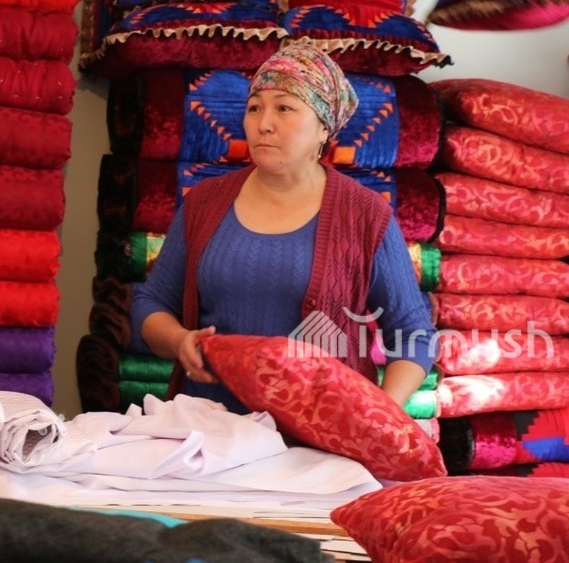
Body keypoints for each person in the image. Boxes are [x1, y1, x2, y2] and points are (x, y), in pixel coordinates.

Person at [131, 43, 436, 413]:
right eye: (254, 107)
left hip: (319, 436)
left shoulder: (365, 216)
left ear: (324, 127)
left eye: (284, 108)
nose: (264, 123)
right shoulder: (204, 203)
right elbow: (150, 303)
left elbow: (414, 335)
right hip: (210, 428)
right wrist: (179, 340)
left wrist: (380, 414)